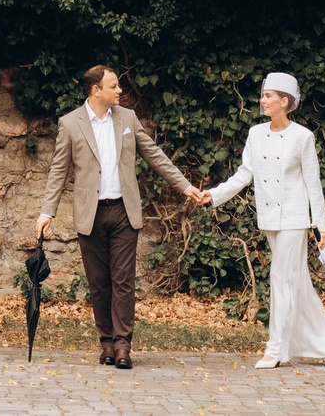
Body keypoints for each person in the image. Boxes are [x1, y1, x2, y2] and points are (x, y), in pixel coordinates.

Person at [36, 64, 205, 369]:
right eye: (113, 86)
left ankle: (123, 345)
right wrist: (47, 212)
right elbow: (58, 170)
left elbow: (154, 155)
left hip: (125, 212)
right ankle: (106, 344)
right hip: (91, 214)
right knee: (99, 284)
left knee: (123, 282)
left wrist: (184, 186)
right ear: (96, 90)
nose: (120, 90)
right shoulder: (70, 123)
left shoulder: (127, 118)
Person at [205, 70, 325, 368]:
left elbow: (313, 184)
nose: (263, 100)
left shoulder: (303, 137)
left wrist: (321, 226)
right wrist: (213, 195)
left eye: (268, 96)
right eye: (263, 95)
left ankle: (275, 349)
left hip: (295, 219)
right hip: (270, 218)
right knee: (296, 284)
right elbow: (244, 174)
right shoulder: (256, 134)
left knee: (280, 278)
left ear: (284, 101)